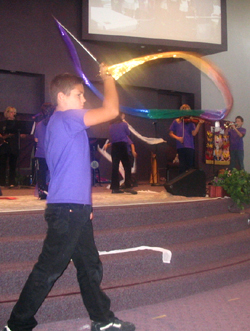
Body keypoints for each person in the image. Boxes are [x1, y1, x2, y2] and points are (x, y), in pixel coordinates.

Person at [3, 65, 136, 331]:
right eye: (79, 94)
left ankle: (103, 319)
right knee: (49, 268)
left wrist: (86, 205)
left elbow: (73, 168)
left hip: (74, 208)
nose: (84, 99)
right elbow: (110, 111)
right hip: (68, 210)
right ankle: (16, 325)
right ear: (62, 98)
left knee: (89, 266)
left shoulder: (60, 123)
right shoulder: (67, 119)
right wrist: (109, 78)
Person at [105, 112, 137, 194]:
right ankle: (128, 186)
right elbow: (128, 133)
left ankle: (115, 188)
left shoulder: (110, 125)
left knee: (115, 167)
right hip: (122, 146)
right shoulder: (124, 124)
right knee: (127, 166)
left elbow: (111, 136)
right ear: (120, 117)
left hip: (114, 146)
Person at [169, 104, 204, 174]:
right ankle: (182, 182)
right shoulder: (176, 121)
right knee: (182, 166)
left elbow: (194, 133)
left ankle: (188, 182)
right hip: (180, 146)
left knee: (189, 166)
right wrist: (178, 138)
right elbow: (170, 133)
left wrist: (199, 125)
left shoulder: (190, 122)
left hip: (190, 146)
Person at [33, 103, 55, 199]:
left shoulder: (38, 125)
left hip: (41, 153)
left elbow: (36, 139)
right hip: (53, 153)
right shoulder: (55, 124)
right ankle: (53, 192)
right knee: (53, 174)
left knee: (41, 174)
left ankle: (42, 192)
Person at [0, 107, 21, 187]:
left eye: (14, 112)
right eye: (12, 112)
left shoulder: (17, 123)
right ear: (7, 113)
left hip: (14, 145)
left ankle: (12, 182)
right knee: (2, 164)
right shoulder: (2, 123)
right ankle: (2, 182)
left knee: (13, 164)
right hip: (4, 145)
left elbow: (21, 134)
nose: (13, 114)